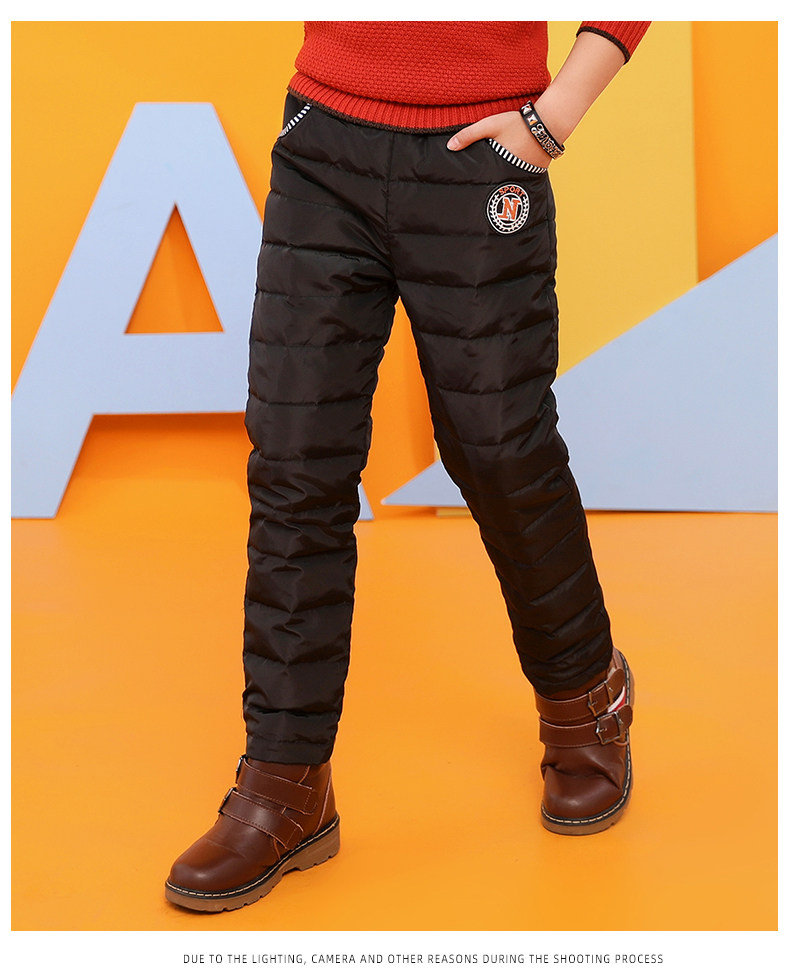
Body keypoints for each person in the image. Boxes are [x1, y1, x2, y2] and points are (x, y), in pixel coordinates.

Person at [165, 19, 650, 913]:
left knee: (499, 449)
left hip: (481, 150)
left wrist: (552, 118)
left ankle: (587, 696)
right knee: (296, 463)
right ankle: (285, 782)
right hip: (325, 138)